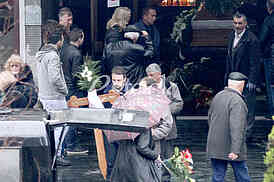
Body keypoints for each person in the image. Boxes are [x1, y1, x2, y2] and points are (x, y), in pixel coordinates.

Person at [107, 77, 173, 182]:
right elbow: (139, 144)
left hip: (147, 148)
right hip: (135, 156)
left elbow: (167, 125)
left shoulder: (159, 105)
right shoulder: (134, 106)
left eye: (142, 88)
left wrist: (150, 134)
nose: (139, 90)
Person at [35, 24, 70, 166]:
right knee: (61, 127)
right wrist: (65, 90)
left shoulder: (41, 54)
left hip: (44, 95)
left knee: (50, 127)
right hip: (55, 97)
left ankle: (52, 155)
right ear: (59, 40)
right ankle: (57, 155)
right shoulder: (53, 55)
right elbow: (55, 78)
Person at [207, 72, 251, 182]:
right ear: (241, 85)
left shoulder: (218, 96)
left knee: (218, 176)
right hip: (231, 147)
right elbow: (237, 127)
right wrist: (235, 150)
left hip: (215, 146)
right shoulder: (237, 101)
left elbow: (210, 118)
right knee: (242, 176)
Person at [225, 12, 260, 141]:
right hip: (233, 78)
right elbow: (229, 58)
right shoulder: (231, 36)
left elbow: (255, 62)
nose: (237, 26)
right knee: (234, 106)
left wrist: (252, 80)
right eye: (235, 23)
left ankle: (247, 134)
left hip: (246, 78)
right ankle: (235, 133)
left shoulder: (252, 39)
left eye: (240, 23)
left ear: (245, 24)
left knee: (248, 107)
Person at [145, 63, 183, 181]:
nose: (149, 77)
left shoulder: (171, 86)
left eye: (151, 75)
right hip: (152, 128)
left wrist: (164, 111)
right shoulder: (146, 87)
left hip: (168, 128)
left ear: (159, 75)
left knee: (167, 157)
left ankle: (165, 179)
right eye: (147, 75)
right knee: (153, 155)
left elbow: (179, 103)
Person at [102, 7, 131, 75]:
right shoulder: (115, 31)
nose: (129, 18)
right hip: (115, 64)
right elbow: (113, 51)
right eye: (129, 16)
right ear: (124, 17)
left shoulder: (115, 29)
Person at [259, 0, 274, 119]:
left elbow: (262, 39)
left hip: (271, 54)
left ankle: (272, 112)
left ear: (268, 7)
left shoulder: (269, 20)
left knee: (271, 84)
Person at [62, 27, 86, 100]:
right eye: (83, 38)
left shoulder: (63, 50)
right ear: (79, 39)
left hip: (64, 86)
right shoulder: (77, 54)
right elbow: (76, 74)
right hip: (73, 90)